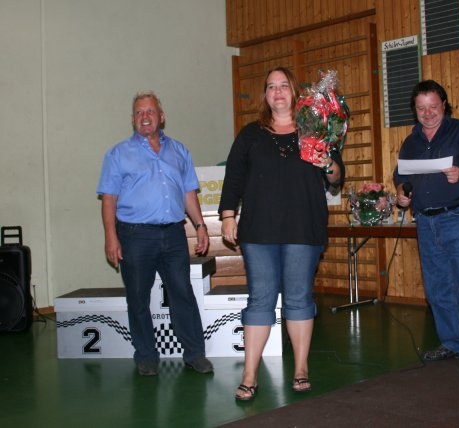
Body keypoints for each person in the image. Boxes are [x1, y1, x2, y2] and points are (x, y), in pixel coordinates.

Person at [218, 67, 344, 400]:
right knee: (259, 299)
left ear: (295, 91)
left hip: (304, 227)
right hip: (258, 231)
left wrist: (326, 162)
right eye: (271, 86)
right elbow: (233, 178)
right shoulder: (250, 134)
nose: (277, 91)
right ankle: (250, 374)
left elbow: (336, 177)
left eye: (283, 85)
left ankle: (301, 368)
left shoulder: (316, 129)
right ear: (265, 95)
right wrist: (228, 216)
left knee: (298, 298)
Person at [97, 91, 213, 376]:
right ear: (133, 119)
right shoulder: (117, 154)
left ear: (162, 117)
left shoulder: (180, 151)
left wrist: (200, 226)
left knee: (182, 293)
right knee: (138, 298)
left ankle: (195, 354)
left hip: (174, 234)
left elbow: (188, 193)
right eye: (139, 112)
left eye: (150, 111)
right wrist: (111, 237)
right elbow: (109, 199)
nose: (145, 116)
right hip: (134, 236)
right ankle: (146, 355)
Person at [393, 80, 459, 375]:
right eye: (421, 108)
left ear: (444, 105)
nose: (427, 113)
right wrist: (402, 194)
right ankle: (452, 342)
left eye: (433, 106)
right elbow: (401, 177)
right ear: (415, 110)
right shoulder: (411, 142)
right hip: (426, 222)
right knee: (438, 289)